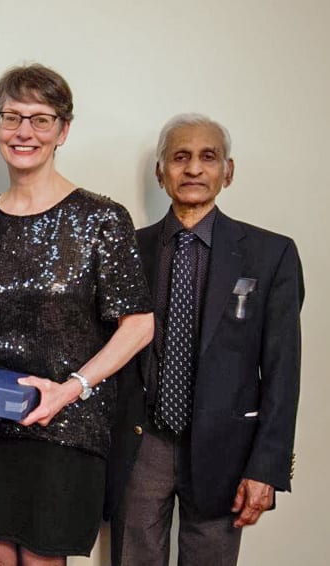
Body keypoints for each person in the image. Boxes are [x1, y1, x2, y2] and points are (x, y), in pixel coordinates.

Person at [0, 64, 154, 566]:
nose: (25, 132)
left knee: (44, 560)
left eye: (41, 119)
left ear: (63, 130)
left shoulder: (101, 218)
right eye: (12, 117)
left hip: (65, 424)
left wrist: (72, 387)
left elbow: (139, 323)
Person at [105, 113, 305, 566]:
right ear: (161, 172)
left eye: (207, 157)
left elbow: (282, 370)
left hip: (224, 449)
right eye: (180, 157)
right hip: (142, 444)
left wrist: (265, 467)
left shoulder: (271, 255)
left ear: (227, 172)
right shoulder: (128, 250)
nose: (193, 168)